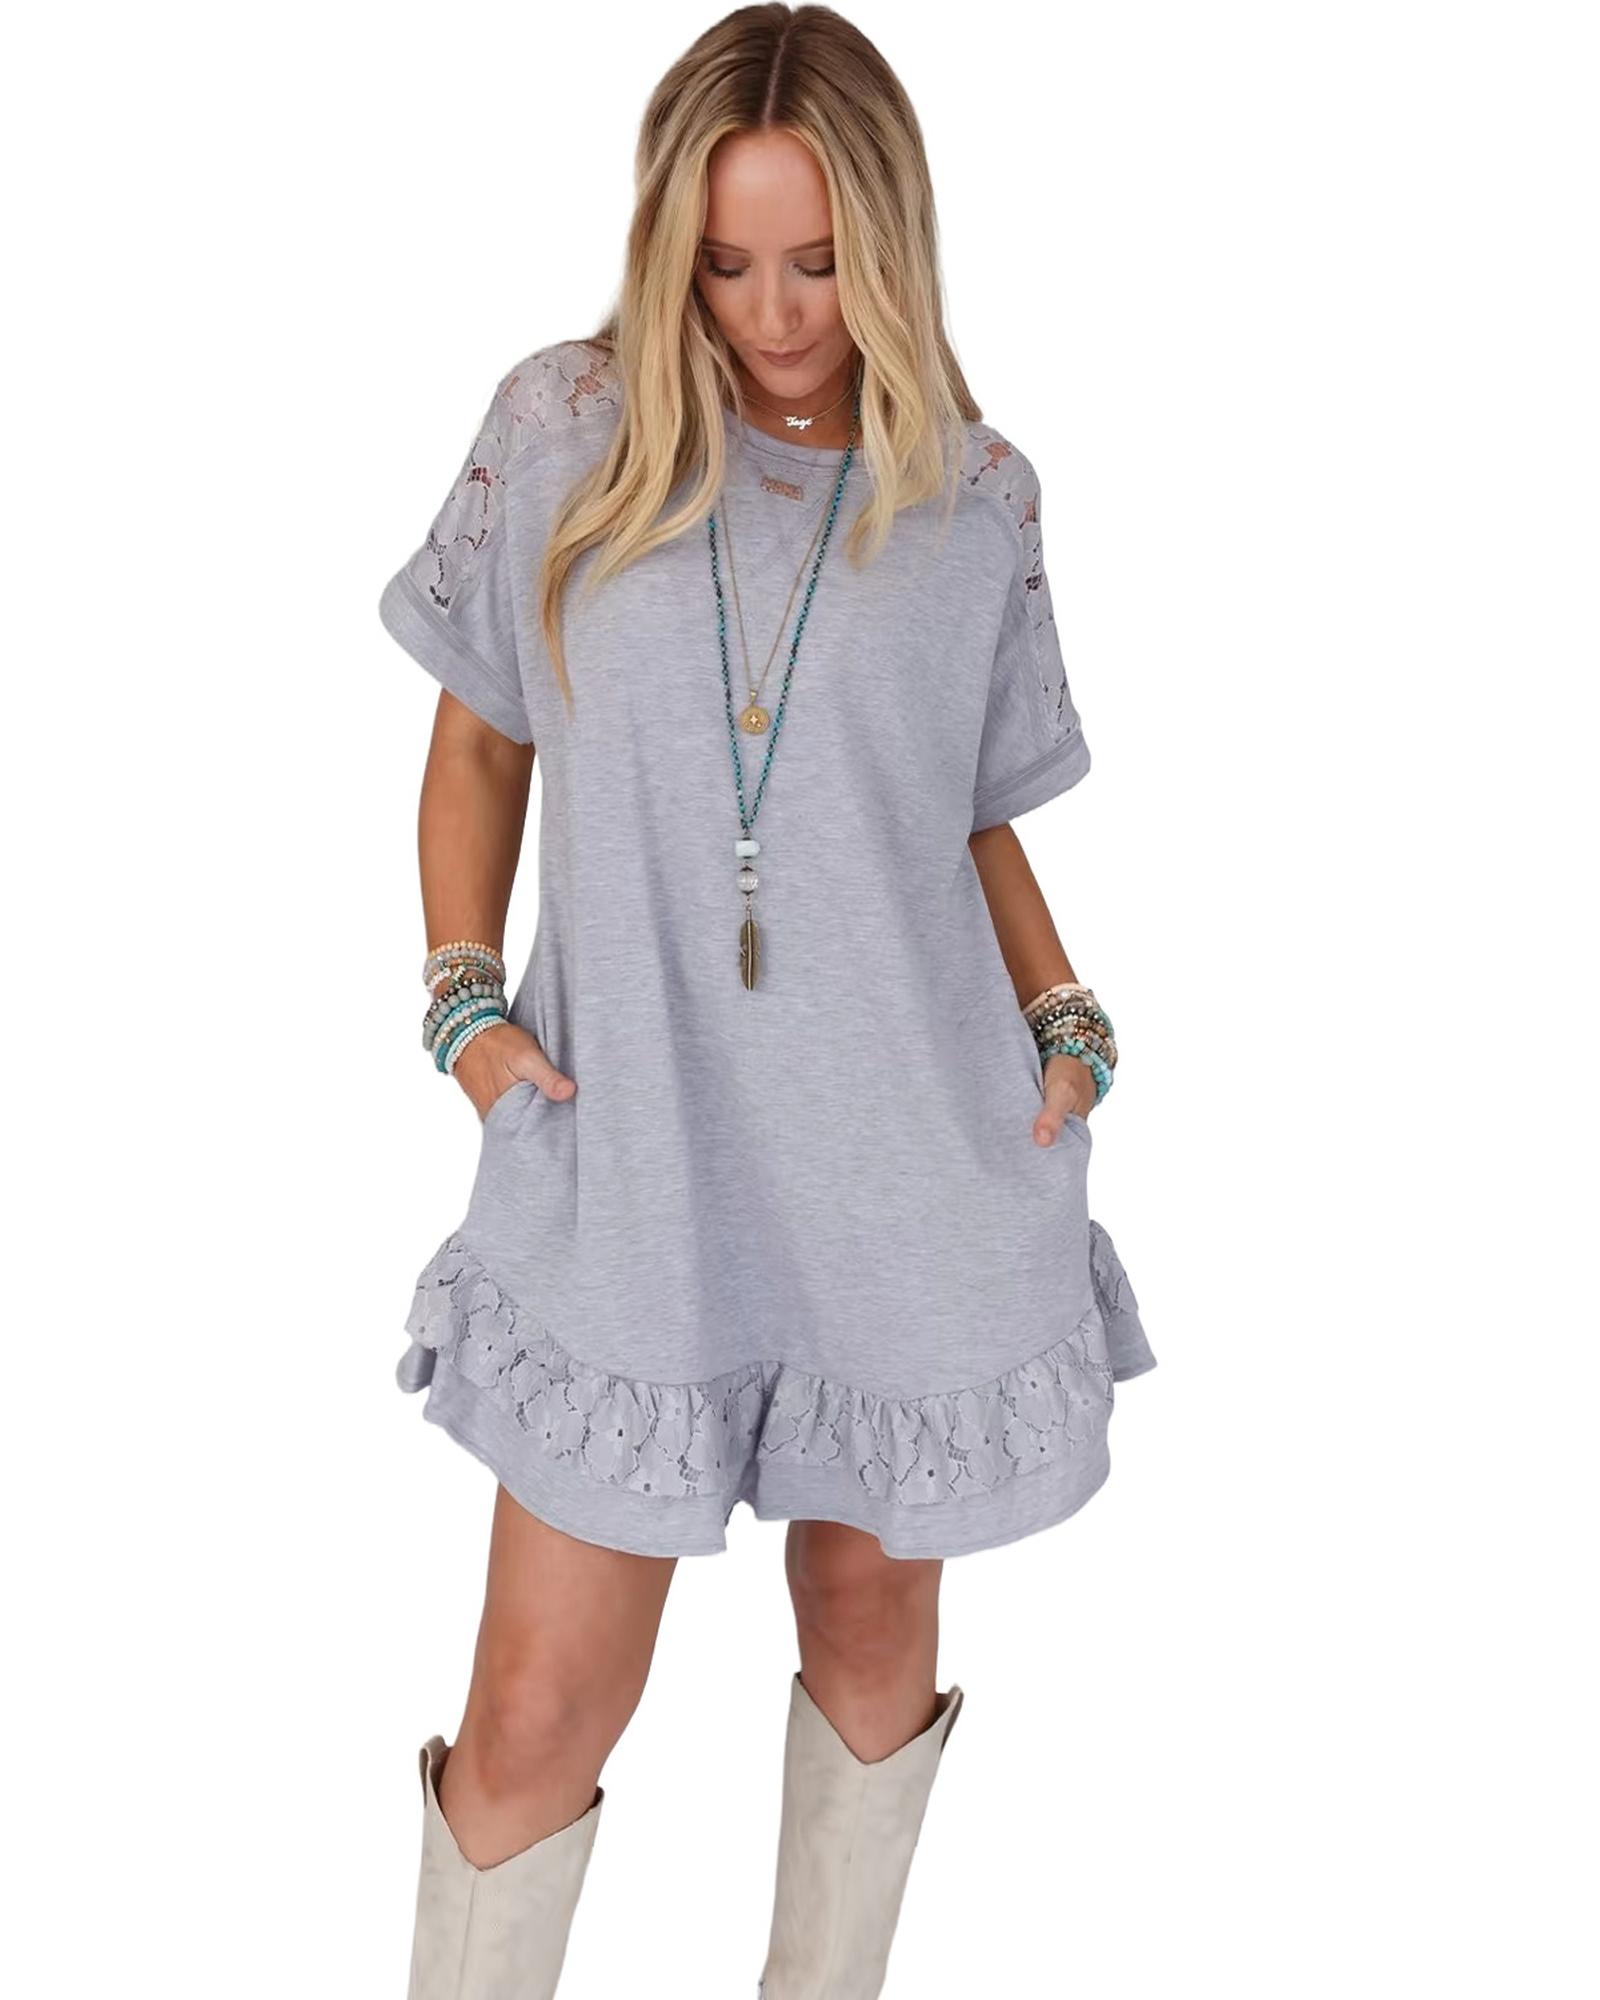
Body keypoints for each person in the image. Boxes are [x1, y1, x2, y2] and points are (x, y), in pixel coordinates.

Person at [377, 6, 1157, 1994]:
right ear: (671, 242)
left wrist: (1065, 1013)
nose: (775, 311)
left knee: (871, 1625)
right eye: (726, 263)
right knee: (536, 1708)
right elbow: (477, 741)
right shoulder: (564, 426)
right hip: (627, 1154)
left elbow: (960, 816)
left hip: (908, 1164)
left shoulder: (975, 497)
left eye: (815, 260)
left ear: (886, 240)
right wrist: (463, 1002)